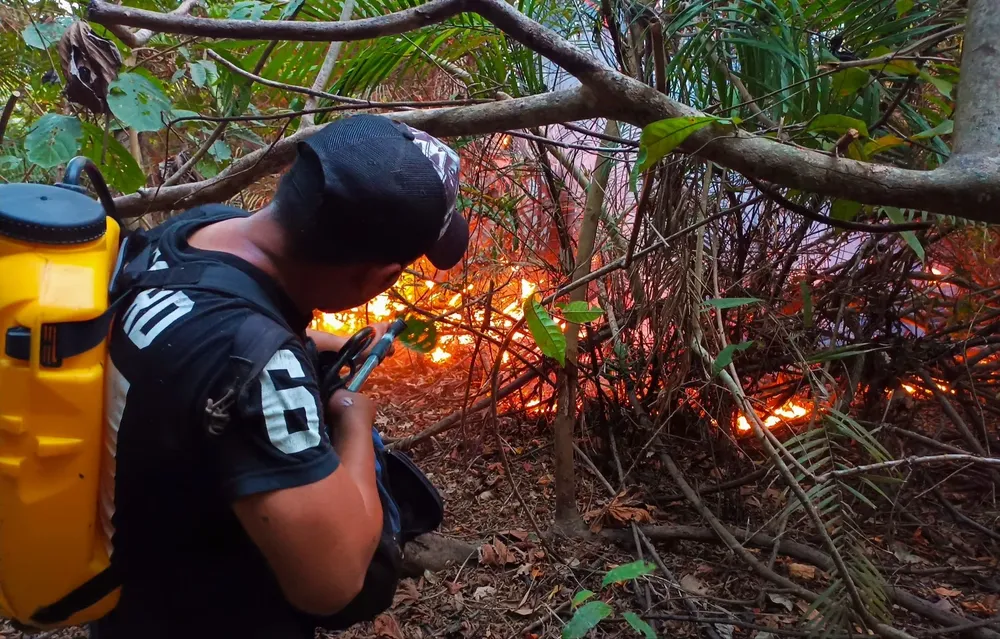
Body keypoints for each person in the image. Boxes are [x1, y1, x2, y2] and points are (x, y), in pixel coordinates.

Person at [91, 114, 467, 638]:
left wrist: (311, 345)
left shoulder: (194, 232)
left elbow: (203, 345)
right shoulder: (257, 366)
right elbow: (331, 583)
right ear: (378, 276)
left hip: (136, 594)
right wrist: (355, 421)